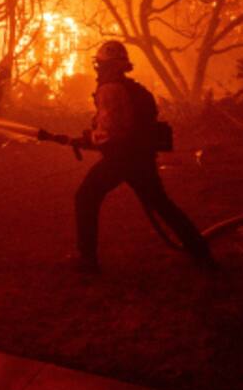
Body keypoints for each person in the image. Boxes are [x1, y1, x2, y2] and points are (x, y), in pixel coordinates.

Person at [71, 40, 216, 274]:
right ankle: (201, 252)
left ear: (106, 66)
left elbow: (113, 130)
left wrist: (89, 138)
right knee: (162, 204)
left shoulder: (109, 89)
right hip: (141, 159)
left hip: (120, 160)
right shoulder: (135, 89)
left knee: (85, 197)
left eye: (100, 64)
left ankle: (87, 260)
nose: (98, 69)